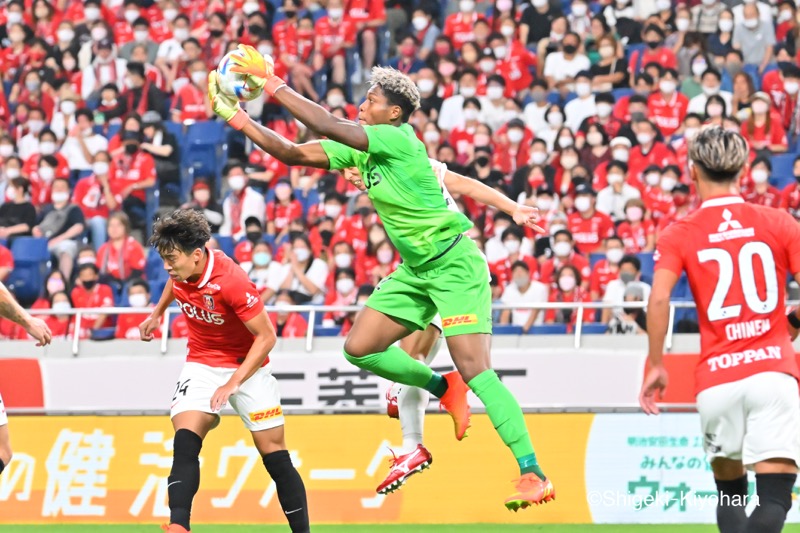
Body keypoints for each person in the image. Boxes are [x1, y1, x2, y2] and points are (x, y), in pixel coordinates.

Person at [209, 50, 553, 508]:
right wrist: (237, 117)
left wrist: (272, 83)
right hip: (416, 271)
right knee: (359, 348)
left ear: (393, 113)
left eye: (370, 101)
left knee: (476, 368)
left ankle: (533, 471)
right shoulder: (364, 147)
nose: (361, 107)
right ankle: (440, 387)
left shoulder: (398, 139)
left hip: (455, 265)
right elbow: (290, 153)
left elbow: (329, 124)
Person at [640, 127, 800, 533]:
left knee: (729, 494)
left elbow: (657, 300)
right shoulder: (779, 221)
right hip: (773, 372)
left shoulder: (679, 232)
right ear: (744, 169)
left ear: (692, 172)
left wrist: (655, 363)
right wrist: (791, 324)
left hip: (716, 379)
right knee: (776, 497)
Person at [139, 209, 309, 533]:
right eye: (163, 258)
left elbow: (267, 337)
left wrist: (233, 382)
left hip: (248, 367)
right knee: (185, 441)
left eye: (171, 259)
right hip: (201, 362)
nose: (166, 266)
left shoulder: (231, 281)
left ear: (198, 255)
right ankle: (179, 526)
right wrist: (156, 314)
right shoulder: (181, 270)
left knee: (274, 454)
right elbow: (173, 283)